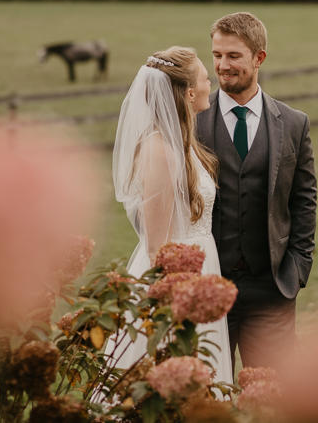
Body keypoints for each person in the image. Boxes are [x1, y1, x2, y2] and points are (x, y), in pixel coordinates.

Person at [195, 12, 317, 373]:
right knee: (206, 398)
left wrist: (297, 268)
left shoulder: (294, 123)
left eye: (233, 56)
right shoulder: (192, 122)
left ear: (259, 58)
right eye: (217, 55)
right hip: (209, 289)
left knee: (272, 397)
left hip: (272, 290)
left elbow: (304, 199)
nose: (222, 65)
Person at [112, 46, 233, 385]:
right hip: (179, 278)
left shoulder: (180, 142)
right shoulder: (161, 151)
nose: (212, 83)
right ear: (190, 92)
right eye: (206, 79)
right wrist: (176, 304)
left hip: (199, 266)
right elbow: (156, 249)